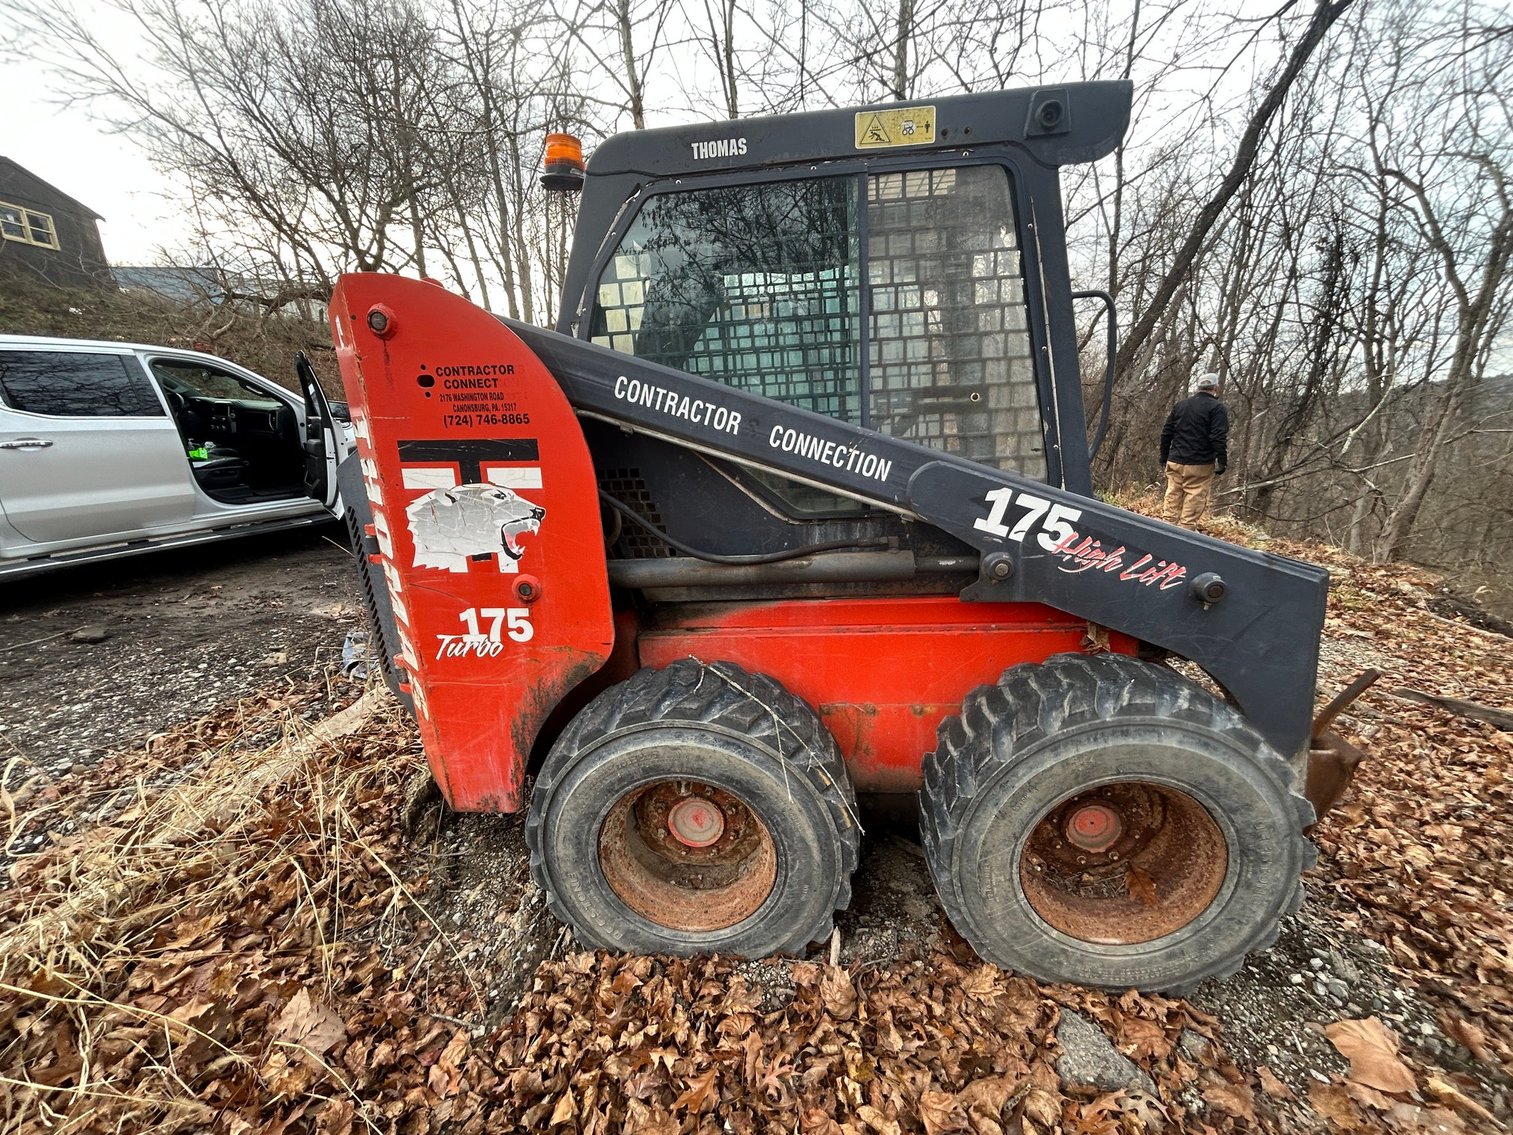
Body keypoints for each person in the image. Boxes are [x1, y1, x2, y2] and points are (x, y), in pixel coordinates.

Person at [1159, 371, 1229, 525]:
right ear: (1216, 387)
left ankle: (1165, 530)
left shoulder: (1181, 405)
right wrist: (1222, 461)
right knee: (1194, 500)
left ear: (1198, 387)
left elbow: (1166, 433)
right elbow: (1218, 436)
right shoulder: (1217, 408)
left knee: (1172, 497)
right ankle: (1185, 534)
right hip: (1200, 464)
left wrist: (1164, 457)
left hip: (1175, 461)